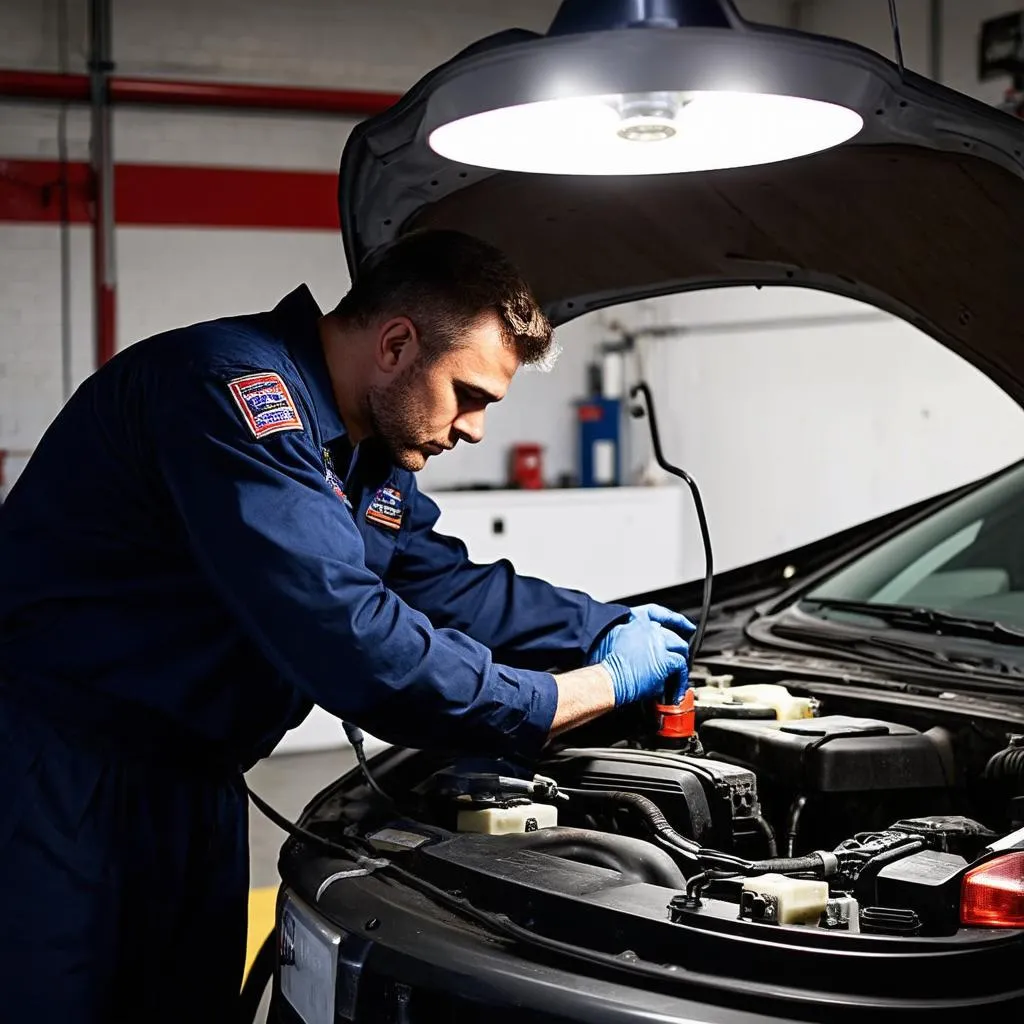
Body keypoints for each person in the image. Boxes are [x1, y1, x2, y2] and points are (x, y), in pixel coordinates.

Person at [0, 228, 693, 1020]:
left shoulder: (365, 453)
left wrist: (603, 627)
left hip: (195, 786)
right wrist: (572, 694)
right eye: (469, 395)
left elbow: (443, 581)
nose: (473, 429)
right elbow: (354, 644)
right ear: (397, 344)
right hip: (57, 778)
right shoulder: (228, 395)